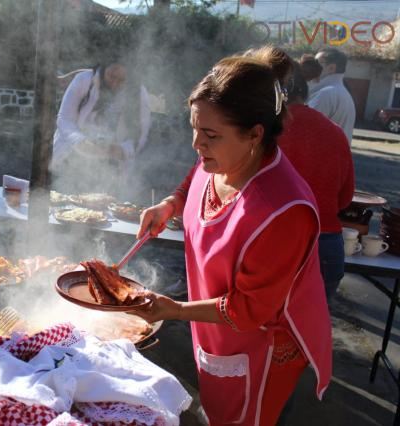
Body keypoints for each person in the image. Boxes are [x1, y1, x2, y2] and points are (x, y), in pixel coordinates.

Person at [133, 50, 332, 425]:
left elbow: (249, 310)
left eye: (209, 135)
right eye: (193, 128)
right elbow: (195, 178)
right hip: (217, 330)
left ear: (255, 133)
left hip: (261, 346)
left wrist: (173, 310)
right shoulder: (222, 157)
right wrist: (170, 204)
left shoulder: (282, 210)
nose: (197, 144)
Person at [278, 55, 355, 299]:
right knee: (309, 333)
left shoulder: (265, 131)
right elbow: (344, 199)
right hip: (327, 246)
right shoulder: (335, 133)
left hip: (278, 245)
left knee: (262, 334)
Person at [51, 60, 150, 194]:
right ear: (104, 69)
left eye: (121, 80)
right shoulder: (84, 80)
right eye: (111, 76)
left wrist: (123, 149)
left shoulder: (138, 92)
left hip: (111, 165)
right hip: (72, 156)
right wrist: (80, 141)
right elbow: (64, 118)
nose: (115, 84)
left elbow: (141, 133)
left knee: (103, 208)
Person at [307, 48, 356, 144]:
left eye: (316, 63)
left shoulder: (326, 94)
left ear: (331, 68)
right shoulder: (341, 92)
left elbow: (304, 130)